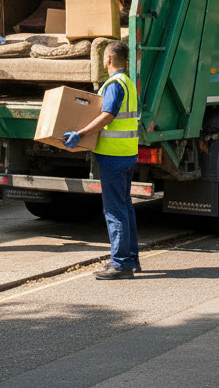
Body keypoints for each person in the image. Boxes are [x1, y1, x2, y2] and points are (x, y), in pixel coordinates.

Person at [62, 41, 140, 279]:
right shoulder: (128, 82)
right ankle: (131, 258)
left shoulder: (115, 85)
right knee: (125, 207)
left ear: (107, 59)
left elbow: (108, 115)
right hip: (126, 154)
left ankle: (120, 264)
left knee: (115, 210)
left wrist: (81, 133)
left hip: (113, 157)